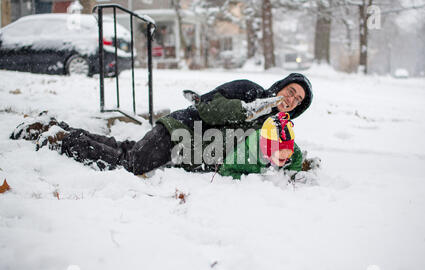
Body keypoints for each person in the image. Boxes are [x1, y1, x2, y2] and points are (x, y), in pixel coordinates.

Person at [10, 73, 313, 176]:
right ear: (281, 86)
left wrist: (302, 162)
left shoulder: (273, 127)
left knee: (124, 147)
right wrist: (248, 109)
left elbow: (283, 152)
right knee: (130, 164)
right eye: (291, 91)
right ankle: (60, 140)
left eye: (298, 100)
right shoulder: (248, 90)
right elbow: (205, 107)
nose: (291, 99)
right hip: (178, 131)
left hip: (185, 153)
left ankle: (55, 127)